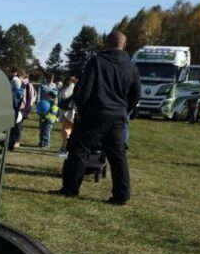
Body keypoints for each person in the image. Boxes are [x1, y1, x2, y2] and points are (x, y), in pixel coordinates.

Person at [55, 30, 140, 204]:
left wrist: (82, 110)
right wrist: (124, 109)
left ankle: (71, 188)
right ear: (124, 45)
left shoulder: (97, 61)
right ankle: (122, 195)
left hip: (95, 113)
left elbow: (85, 89)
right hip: (118, 116)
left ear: (106, 44)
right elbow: (136, 94)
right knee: (118, 156)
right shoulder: (131, 66)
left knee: (78, 150)